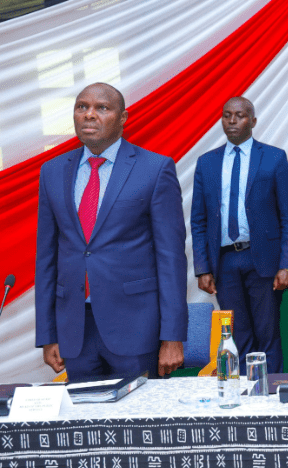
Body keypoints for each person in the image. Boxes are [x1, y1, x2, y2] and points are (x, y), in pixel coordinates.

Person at [35, 83, 187, 380]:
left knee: (139, 424)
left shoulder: (155, 169)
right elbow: (46, 258)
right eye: (82, 107)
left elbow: (171, 259)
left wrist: (172, 336)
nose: (89, 115)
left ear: (123, 118)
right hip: (74, 330)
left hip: (136, 328)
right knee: (84, 421)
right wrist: (47, 333)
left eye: (101, 108)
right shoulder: (52, 171)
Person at [190, 97, 288, 373]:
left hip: (263, 260)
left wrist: (287, 265)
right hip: (224, 263)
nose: (232, 121)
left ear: (253, 121)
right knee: (238, 334)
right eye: (227, 116)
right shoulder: (206, 163)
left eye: (239, 115)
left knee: (268, 333)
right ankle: (249, 397)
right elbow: (198, 220)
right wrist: (202, 268)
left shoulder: (273, 158)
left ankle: (271, 395)